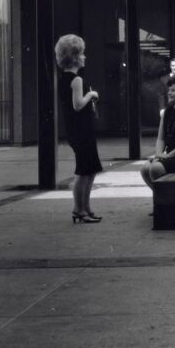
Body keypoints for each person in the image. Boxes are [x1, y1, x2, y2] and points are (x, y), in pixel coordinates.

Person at [55, 34, 104, 224]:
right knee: (84, 171)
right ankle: (79, 209)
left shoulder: (63, 78)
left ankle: (86, 208)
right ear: (75, 56)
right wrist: (91, 94)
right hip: (81, 129)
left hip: (75, 129)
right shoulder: (76, 80)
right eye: (82, 54)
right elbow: (77, 105)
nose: (85, 57)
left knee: (89, 169)